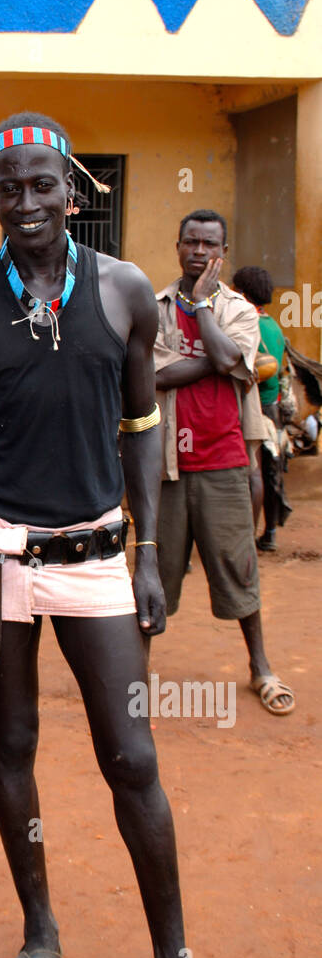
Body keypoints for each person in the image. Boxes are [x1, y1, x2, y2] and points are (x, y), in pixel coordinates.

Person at [0, 112, 262, 958]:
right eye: (10, 189)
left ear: (74, 190)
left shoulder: (120, 294)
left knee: (133, 759)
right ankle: (39, 931)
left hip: (96, 555)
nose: (26, 204)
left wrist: (148, 551)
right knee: (12, 743)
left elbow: (141, 425)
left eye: (43, 186)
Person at [154, 213, 294, 717]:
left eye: (208, 244)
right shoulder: (155, 308)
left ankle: (260, 668)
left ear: (223, 252)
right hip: (167, 466)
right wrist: (216, 359)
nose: (198, 250)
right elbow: (156, 375)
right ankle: (130, 676)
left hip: (225, 463)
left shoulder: (241, 310)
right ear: (177, 247)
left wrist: (206, 312)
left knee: (239, 567)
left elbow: (233, 359)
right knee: (155, 571)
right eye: (190, 241)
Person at [231, 266, 291, 550]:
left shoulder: (248, 324)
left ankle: (245, 538)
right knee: (271, 472)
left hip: (257, 406)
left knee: (253, 472)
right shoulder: (274, 327)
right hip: (274, 408)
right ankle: (269, 534)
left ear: (242, 293)